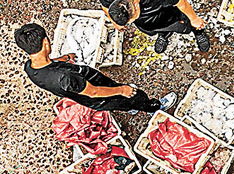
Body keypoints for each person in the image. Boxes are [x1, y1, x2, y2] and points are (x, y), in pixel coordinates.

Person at [14, 23, 175, 115]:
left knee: (122, 100)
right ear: (46, 43)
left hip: (86, 92)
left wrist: (63, 59)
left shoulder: (30, 67)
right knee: (134, 96)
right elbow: (94, 92)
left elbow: (48, 64)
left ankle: (130, 107)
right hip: (99, 96)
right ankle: (153, 107)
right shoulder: (66, 78)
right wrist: (122, 90)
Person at [98, 0, 209, 54]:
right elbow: (105, 6)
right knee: (154, 29)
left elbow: (181, 2)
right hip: (147, 22)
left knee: (185, 24)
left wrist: (194, 18)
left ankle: (198, 32)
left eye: (131, 20)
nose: (130, 23)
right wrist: (114, 22)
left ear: (136, 5)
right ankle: (164, 35)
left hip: (167, 13)